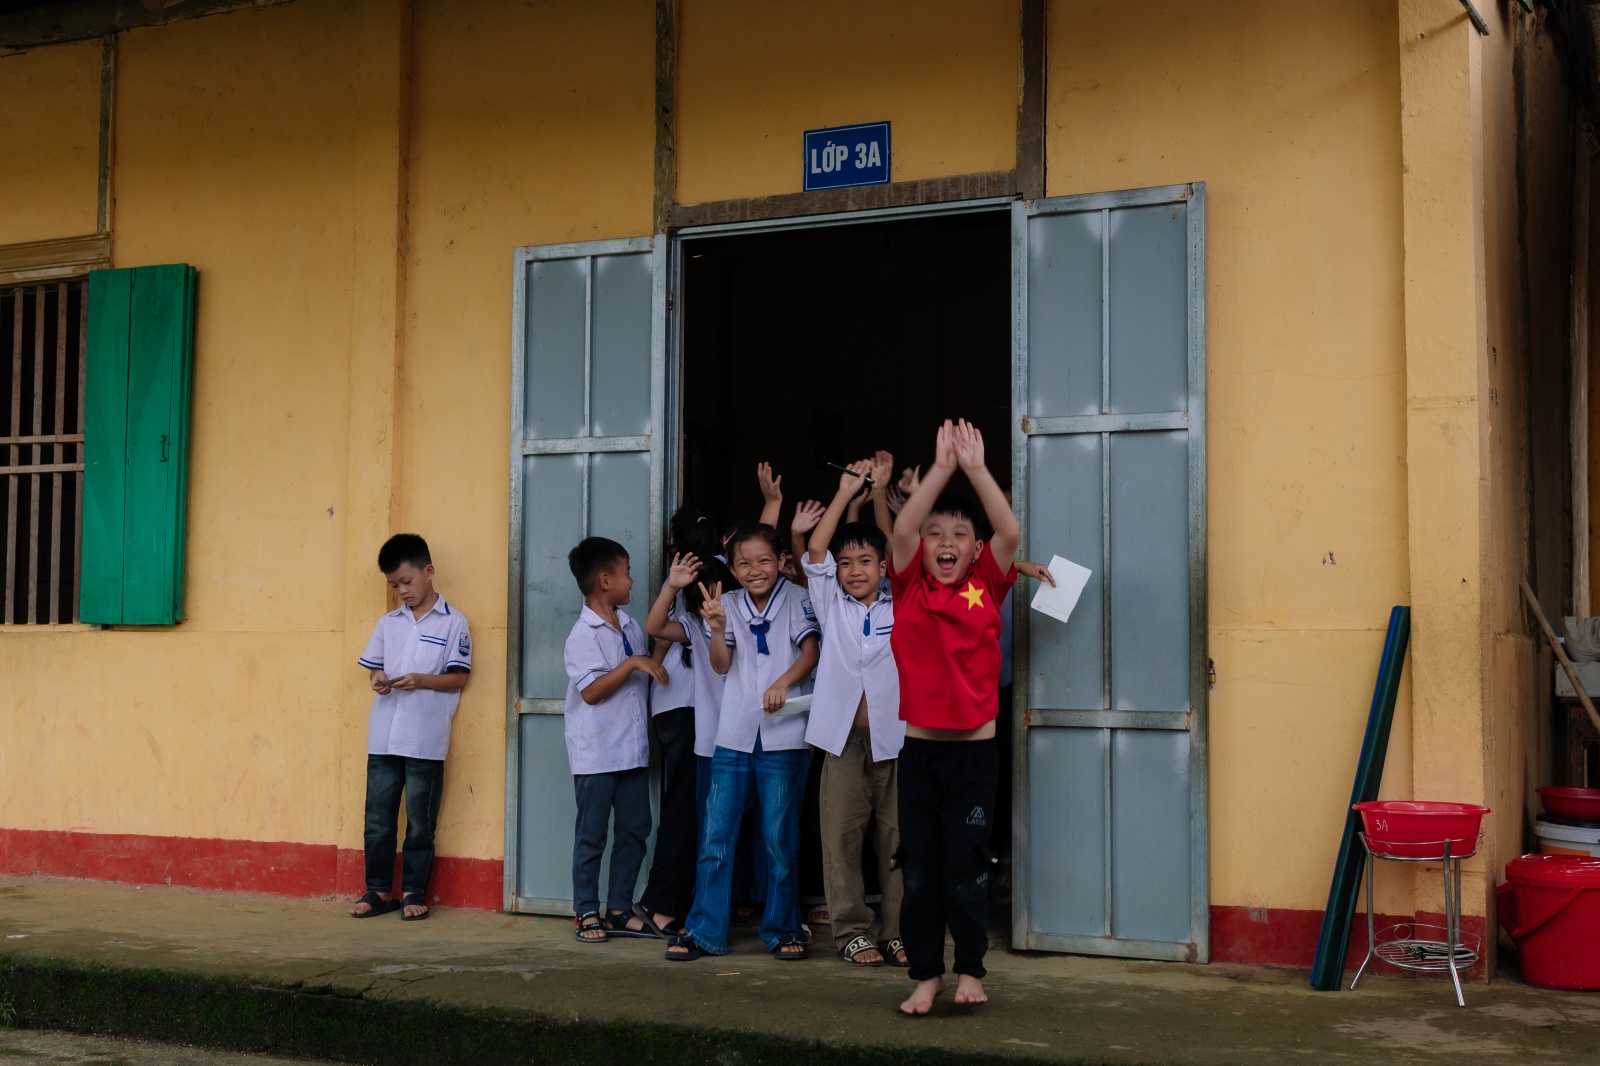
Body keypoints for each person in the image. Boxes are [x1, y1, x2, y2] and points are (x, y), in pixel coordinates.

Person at [888, 419, 1019, 1014]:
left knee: (965, 868)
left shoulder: (988, 584)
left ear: (974, 548)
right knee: (919, 872)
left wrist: (974, 468)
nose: (944, 541)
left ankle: (969, 969)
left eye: (959, 534)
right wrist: (939, 470)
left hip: (973, 755)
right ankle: (925, 974)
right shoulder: (909, 585)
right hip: (920, 753)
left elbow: (1009, 528)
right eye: (936, 533)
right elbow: (905, 526)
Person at [667, 523, 820, 962]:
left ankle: (783, 928)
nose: (756, 570)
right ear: (732, 570)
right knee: (716, 837)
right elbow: (720, 665)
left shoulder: (797, 598)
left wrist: (783, 682)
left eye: (764, 561)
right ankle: (705, 930)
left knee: (779, 839)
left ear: (780, 561)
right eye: (745, 563)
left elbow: (811, 652)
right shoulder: (726, 604)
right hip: (733, 736)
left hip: (784, 737)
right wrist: (715, 627)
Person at [796, 454, 907, 967]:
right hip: (842, 740)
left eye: (866, 562)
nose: (854, 571)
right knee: (841, 839)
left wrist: (883, 496)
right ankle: (851, 931)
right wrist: (844, 492)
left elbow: (904, 550)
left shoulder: (901, 602)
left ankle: (897, 931)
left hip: (896, 738)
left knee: (897, 841)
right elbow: (816, 548)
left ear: (884, 568)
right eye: (847, 564)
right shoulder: (829, 603)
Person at [350, 533, 472, 922]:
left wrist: (420, 679)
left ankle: (414, 891)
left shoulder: (455, 622)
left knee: (420, 821)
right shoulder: (389, 623)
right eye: (394, 585)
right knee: (378, 818)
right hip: (384, 735)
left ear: (429, 571)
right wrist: (378, 678)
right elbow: (374, 666)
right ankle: (379, 890)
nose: (402, 591)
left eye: (407, 582)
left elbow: (458, 678)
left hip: (424, 738)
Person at [561, 536, 668, 943]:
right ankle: (586, 910)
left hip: (631, 750)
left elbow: (644, 673)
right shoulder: (582, 635)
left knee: (635, 829)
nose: (632, 580)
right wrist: (634, 662)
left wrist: (655, 650)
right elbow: (591, 691)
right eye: (626, 573)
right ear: (605, 580)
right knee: (592, 835)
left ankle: (620, 907)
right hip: (597, 754)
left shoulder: (629, 624)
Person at [637, 507, 732, 935]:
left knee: (694, 810)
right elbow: (658, 630)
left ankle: (681, 903)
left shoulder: (693, 578)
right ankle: (661, 906)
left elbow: (659, 634)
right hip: (692, 710)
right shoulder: (707, 580)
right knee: (686, 810)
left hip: (682, 707)